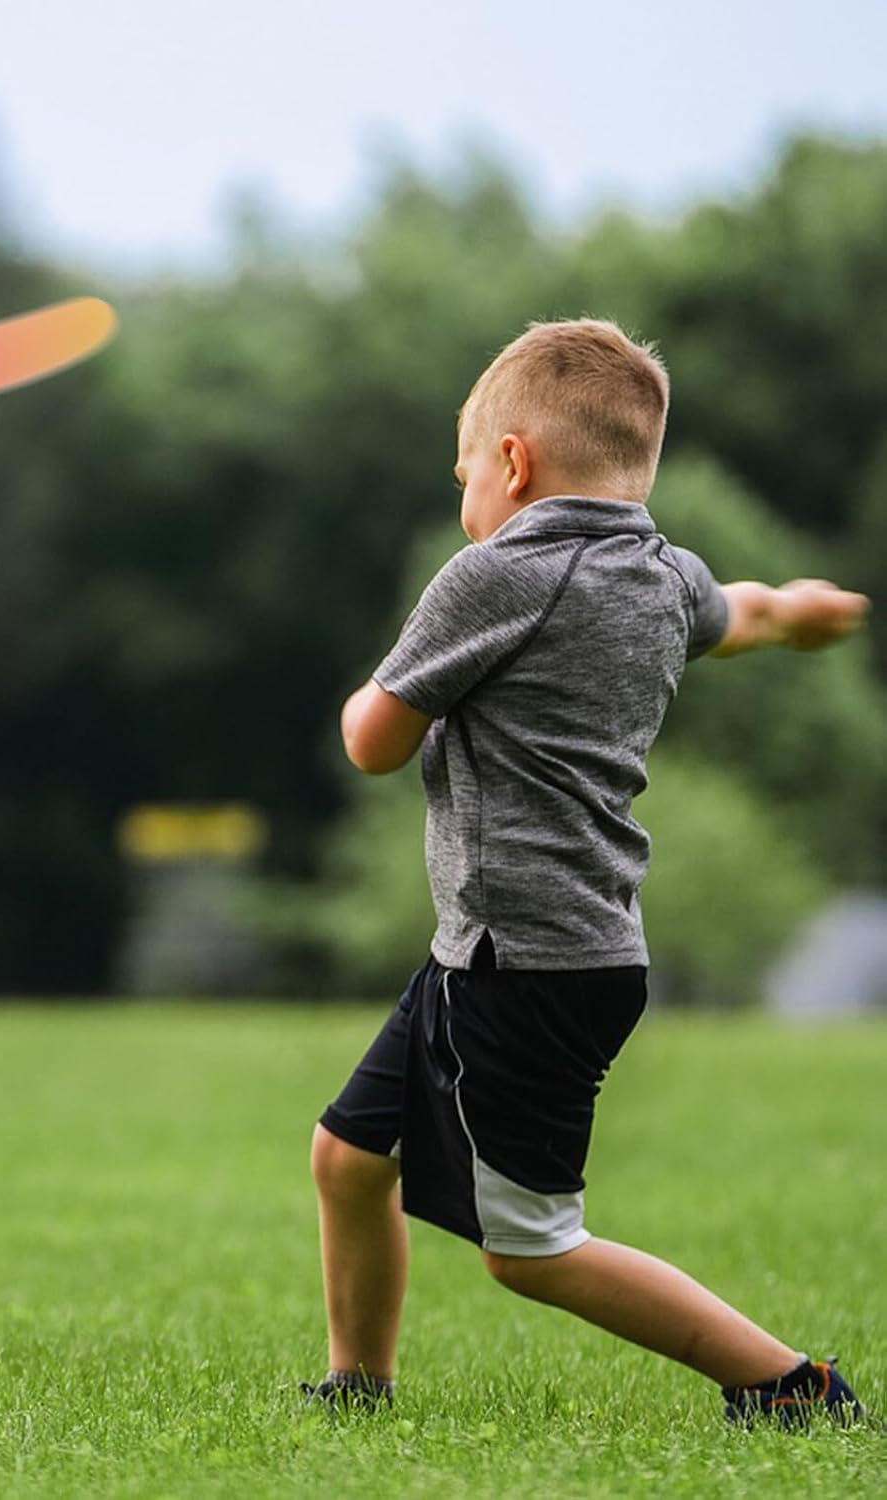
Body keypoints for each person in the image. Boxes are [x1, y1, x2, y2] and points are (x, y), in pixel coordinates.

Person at [305, 319, 870, 1426]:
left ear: (512, 463)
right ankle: (356, 1387)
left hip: (520, 963)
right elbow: (745, 612)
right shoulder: (663, 574)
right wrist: (799, 611)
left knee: (531, 1248)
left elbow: (371, 742)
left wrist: (374, 692)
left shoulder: (496, 574)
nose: (466, 499)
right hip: (535, 950)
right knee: (350, 1156)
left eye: (466, 475)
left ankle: (790, 1384)